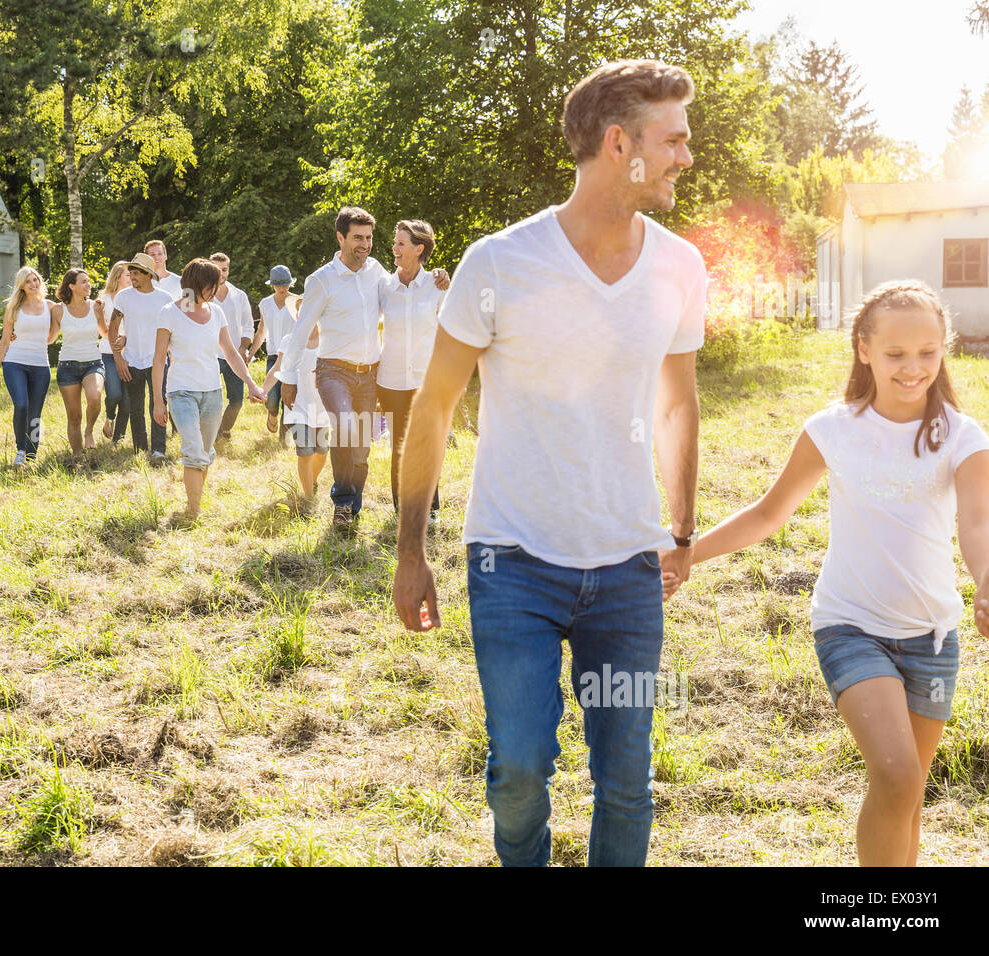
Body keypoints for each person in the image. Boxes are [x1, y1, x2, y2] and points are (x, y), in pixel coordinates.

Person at [392, 60, 706, 867]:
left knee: (627, 779)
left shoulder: (679, 266)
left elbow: (676, 405)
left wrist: (682, 529)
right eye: (673, 140)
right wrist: (410, 551)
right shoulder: (500, 264)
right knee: (521, 770)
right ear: (618, 144)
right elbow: (432, 410)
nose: (686, 157)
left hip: (629, 568)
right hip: (512, 563)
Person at [684, 280, 989, 867]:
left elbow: (977, 524)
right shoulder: (834, 429)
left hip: (932, 638)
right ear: (864, 348)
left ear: (944, 348)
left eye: (928, 352)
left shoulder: (961, 436)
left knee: (905, 795)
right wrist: (685, 555)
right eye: (896, 353)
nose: (913, 367)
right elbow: (769, 513)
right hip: (850, 626)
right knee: (897, 775)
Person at [279, 208, 448, 531]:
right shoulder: (321, 280)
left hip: (371, 374)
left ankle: (352, 508)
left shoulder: (378, 275)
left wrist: (439, 275)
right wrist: (288, 378)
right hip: (333, 371)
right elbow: (301, 331)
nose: (365, 244)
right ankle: (342, 503)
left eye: (369, 238)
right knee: (345, 428)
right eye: (358, 237)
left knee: (361, 448)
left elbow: (413, 286)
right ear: (340, 237)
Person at [152, 259, 266, 521]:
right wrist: (158, 401)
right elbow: (159, 359)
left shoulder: (217, 313)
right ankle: (193, 512)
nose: (215, 291)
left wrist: (251, 384)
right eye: (211, 285)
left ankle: (195, 502)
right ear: (196, 283)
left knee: (204, 453)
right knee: (193, 451)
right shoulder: (169, 312)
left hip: (213, 393)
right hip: (181, 392)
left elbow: (231, 352)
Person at [377, 220, 446, 518]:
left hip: (426, 381)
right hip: (391, 381)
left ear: (419, 249)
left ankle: (430, 507)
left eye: (401, 243)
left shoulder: (437, 285)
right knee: (400, 447)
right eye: (395, 243)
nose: (394, 248)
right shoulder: (384, 286)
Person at [109, 252, 176, 462]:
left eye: (136, 273)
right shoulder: (123, 297)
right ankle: (140, 448)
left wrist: (173, 356)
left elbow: (172, 330)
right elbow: (113, 328)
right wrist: (119, 359)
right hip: (132, 361)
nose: (132, 276)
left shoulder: (164, 299)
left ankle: (158, 449)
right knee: (135, 408)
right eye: (131, 273)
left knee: (158, 404)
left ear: (148, 274)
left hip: (157, 361)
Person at [0, 266, 59, 467]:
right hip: (15, 363)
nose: (33, 284)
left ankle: (32, 454)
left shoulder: (50, 307)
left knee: (36, 413)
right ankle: (20, 449)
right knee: (21, 404)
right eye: (28, 281)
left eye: (36, 279)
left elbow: (50, 339)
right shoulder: (14, 308)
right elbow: (5, 341)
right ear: (21, 286)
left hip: (40, 365)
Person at [263, 324, 328, 497]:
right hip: (297, 405)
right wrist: (262, 391)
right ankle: (308, 497)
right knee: (305, 451)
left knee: (321, 452)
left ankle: (311, 480)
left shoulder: (329, 338)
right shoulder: (290, 340)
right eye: (300, 311)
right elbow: (277, 367)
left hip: (322, 407)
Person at [53, 268, 109, 456]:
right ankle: (77, 456)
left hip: (93, 362)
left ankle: (89, 431)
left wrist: (124, 333)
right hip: (67, 366)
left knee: (94, 397)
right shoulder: (58, 310)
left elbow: (105, 332)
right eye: (83, 281)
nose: (89, 284)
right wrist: (19, 336)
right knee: (74, 417)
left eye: (88, 281)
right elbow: (50, 338)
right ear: (72, 286)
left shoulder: (96, 307)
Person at [209, 252, 255, 441]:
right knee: (211, 399)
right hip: (210, 355)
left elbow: (249, 325)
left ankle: (223, 428)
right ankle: (212, 434)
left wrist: (244, 347)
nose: (220, 274)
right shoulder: (200, 295)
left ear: (229, 270)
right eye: (216, 270)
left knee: (236, 400)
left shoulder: (239, 295)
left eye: (224, 270)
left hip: (234, 355)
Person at [249, 265, 300, 437]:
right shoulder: (265, 303)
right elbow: (261, 330)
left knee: (289, 399)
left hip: (293, 357)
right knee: (271, 399)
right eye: (278, 285)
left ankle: (284, 438)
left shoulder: (298, 302)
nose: (281, 288)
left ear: (290, 283)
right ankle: (272, 413)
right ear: (272, 285)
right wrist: (250, 353)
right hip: (273, 356)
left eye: (285, 284)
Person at [97, 261, 132, 443]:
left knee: (127, 402)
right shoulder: (104, 299)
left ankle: (119, 438)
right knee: (115, 394)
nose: (131, 278)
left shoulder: (135, 298)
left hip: (131, 354)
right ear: (117, 277)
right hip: (108, 354)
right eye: (128, 275)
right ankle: (109, 418)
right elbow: (103, 330)